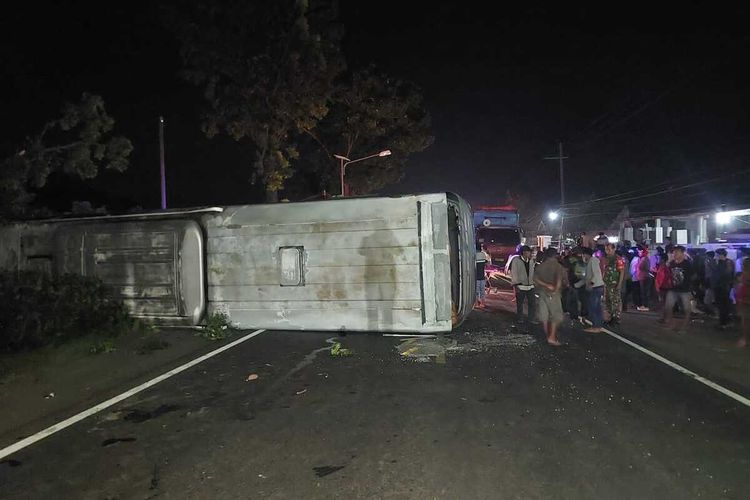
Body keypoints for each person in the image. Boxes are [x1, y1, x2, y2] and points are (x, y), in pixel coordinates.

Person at [534, 247, 565, 346]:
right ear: (555, 255)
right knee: (555, 316)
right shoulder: (558, 267)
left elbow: (534, 279)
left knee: (544, 316)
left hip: (542, 293)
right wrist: (554, 290)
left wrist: (545, 285)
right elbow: (560, 281)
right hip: (554, 294)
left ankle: (547, 334)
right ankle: (551, 337)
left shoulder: (540, 266)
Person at [662, 245, 695, 333]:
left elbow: (693, 276)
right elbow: (666, 272)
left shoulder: (687, 263)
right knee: (668, 307)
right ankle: (671, 324)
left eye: (677, 252)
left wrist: (691, 288)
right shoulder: (672, 263)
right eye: (674, 252)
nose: (674, 254)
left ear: (682, 253)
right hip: (673, 289)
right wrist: (668, 261)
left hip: (685, 290)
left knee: (686, 309)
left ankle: (684, 327)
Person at [580, 247, 605, 333]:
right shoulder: (591, 261)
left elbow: (596, 273)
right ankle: (598, 325)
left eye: (583, 255)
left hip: (595, 287)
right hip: (597, 286)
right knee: (596, 307)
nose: (583, 257)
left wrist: (591, 283)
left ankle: (596, 326)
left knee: (593, 307)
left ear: (586, 254)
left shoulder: (593, 260)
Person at [509, 245, 536, 322]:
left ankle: (531, 318)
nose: (530, 254)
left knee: (532, 303)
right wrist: (515, 284)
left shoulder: (531, 261)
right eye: (528, 252)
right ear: (524, 252)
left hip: (530, 285)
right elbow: (514, 273)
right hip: (520, 285)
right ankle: (520, 318)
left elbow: (532, 272)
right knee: (520, 304)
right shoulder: (516, 260)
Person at [602, 243, 625, 326]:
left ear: (614, 249)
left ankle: (616, 318)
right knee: (607, 301)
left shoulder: (618, 259)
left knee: (615, 301)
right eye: (606, 249)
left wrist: (619, 284)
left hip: (614, 284)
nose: (607, 251)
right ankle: (609, 317)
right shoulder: (606, 259)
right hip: (606, 284)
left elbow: (621, 272)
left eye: (609, 249)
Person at [714, 249, 735, 329]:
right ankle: (723, 322)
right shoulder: (723, 262)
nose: (715, 256)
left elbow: (726, 275)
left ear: (721, 255)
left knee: (723, 305)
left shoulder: (727, 263)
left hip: (723, 287)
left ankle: (724, 323)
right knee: (722, 305)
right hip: (721, 287)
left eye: (717, 255)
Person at [736, 257, 750, 348]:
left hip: (746, 300)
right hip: (745, 299)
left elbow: (743, 288)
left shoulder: (745, 275)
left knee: (745, 321)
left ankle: (745, 339)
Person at [637, 247, 652, 311]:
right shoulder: (646, 258)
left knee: (644, 292)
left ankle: (645, 305)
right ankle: (645, 305)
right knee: (645, 292)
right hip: (645, 276)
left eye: (640, 252)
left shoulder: (643, 259)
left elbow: (640, 267)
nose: (639, 253)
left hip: (644, 277)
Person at [474, 244, 490, 308]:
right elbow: (488, 264)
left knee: (477, 290)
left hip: (476, 276)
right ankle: (483, 303)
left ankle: (477, 304)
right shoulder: (483, 255)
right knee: (482, 290)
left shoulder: (474, 255)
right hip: (482, 276)